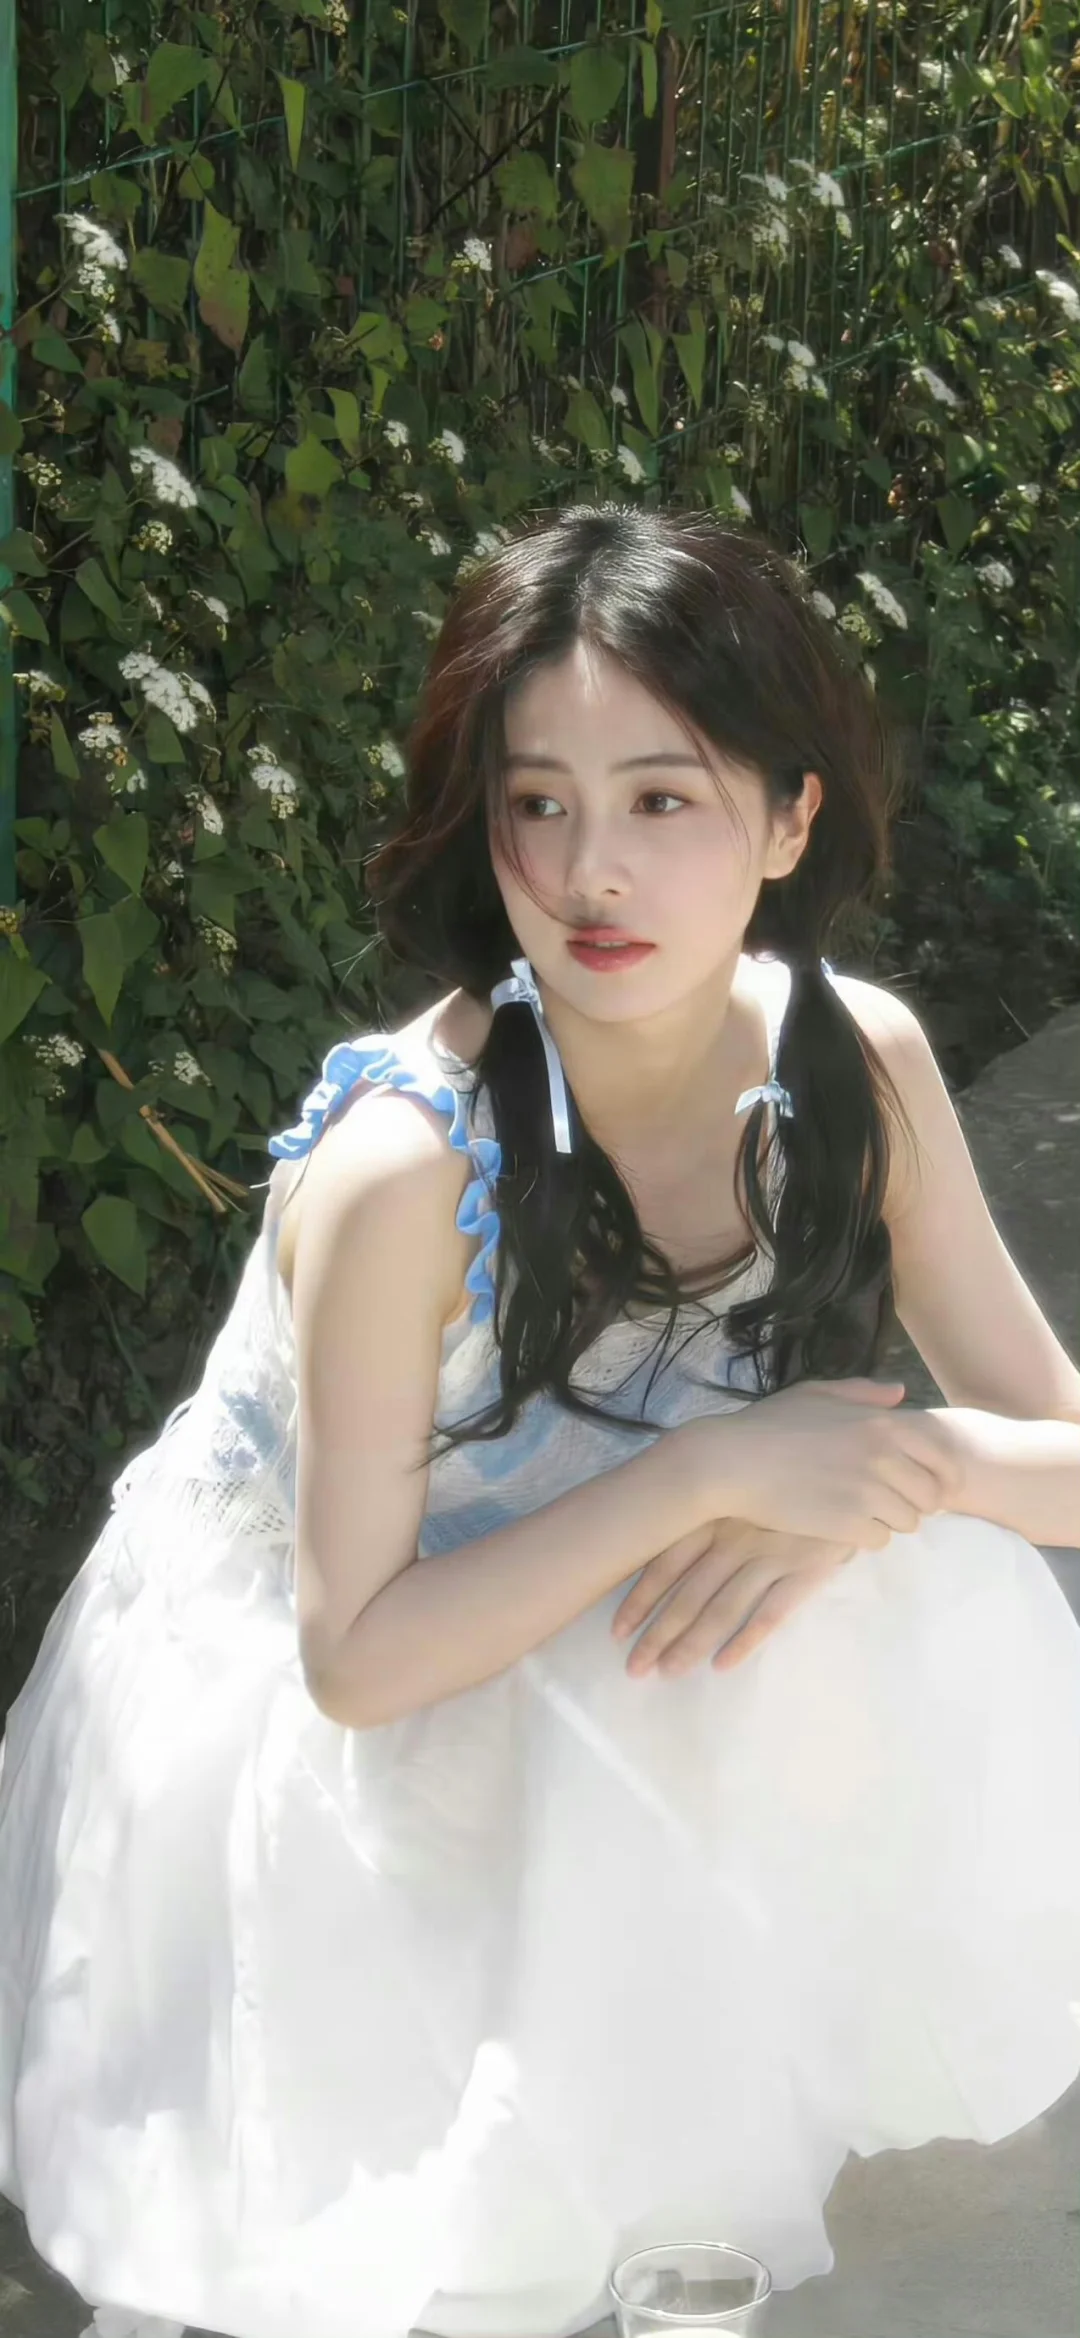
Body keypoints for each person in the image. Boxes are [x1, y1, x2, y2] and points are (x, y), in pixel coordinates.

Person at [1, 503, 1079, 2338]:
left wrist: (881, 1482)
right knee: (716, 1564)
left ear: (790, 820)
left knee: (915, 1560)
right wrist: (719, 1467)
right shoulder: (405, 1165)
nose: (592, 872)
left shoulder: (854, 1060)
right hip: (340, 1670)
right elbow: (353, 1655)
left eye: (663, 798)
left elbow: (1058, 1451)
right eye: (538, 802)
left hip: (569, 1600)